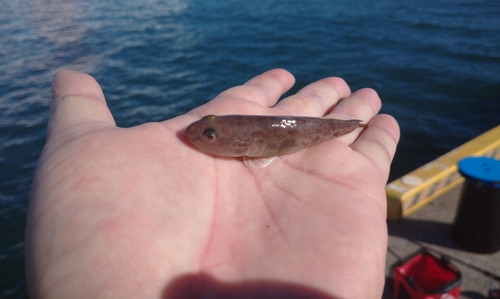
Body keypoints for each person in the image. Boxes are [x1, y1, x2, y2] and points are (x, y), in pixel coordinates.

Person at [25, 69, 400, 299]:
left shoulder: (252, 142)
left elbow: (267, 142)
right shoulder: (241, 141)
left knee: (346, 123)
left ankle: (353, 125)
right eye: (209, 129)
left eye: (208, 133)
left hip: (295, 132)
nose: (197, 135)